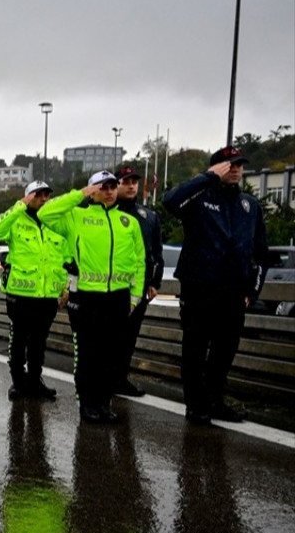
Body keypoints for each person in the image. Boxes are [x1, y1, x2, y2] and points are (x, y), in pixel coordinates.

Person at [164, 146, 268, 425]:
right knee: (195, 349)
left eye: (239, 165)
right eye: (228, 164)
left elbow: (260, 252)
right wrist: (207, 177)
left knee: (225, 351)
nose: (235, 169)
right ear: (215, 168)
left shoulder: (250, 206)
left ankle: (215, 400)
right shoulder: (200, 197)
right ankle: (196, 404)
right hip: (199, 289)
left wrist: (251, 290)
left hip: (233, 293)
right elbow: (170, 201)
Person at [37, 171, 145, 423]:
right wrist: (81, 194)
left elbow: (140, 261)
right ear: (93, 190)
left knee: (112, 356)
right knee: (89, 354)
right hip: (87, 298)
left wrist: (135, 297)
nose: (109, 191)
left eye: (112, 186)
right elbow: (45, 213)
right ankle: (88, 404)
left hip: (118, 298)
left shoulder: (128, 222)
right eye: (102, 186)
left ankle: (104, 403)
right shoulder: (76, 216)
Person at [0, 180, 69, 399]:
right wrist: (20, 205)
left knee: (39, 343)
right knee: (19, 340)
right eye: (38, 194)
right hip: (20, 295)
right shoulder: (16, 219)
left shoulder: (55, 223)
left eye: (46, 195)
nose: (43, 199)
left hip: (47, 295)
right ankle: (17, 382)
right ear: (28, 196)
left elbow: (63, 259)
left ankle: (34, 381)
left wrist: (64, 288)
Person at [112, 166, 164, 397]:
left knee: (128, 337)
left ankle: (120, 379)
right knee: (108, 337)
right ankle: (103, 379)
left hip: (137, 288)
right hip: (109, 287)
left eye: (134, 182)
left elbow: (155, 253)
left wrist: (155, 282)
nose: (131, 185)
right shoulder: (104, 214)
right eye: (126, 181)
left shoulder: (148, 217)